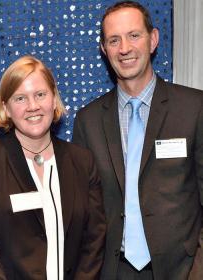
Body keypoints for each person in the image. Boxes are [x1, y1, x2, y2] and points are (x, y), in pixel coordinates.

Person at [72, 1, 203, 279]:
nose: (125, 49)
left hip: (182, 270)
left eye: (134, 35)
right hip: (112, 271)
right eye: (114, 40)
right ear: (104, 49)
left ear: (153, 39)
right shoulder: (88, 121)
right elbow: (84, 212)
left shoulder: (194, 108)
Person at [0, 55, 106, 279]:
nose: (33, 106)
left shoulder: (82, 161)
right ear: (6, 108)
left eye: (40, 94)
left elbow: (95, 239)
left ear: (54, 98)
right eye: (20, 98)